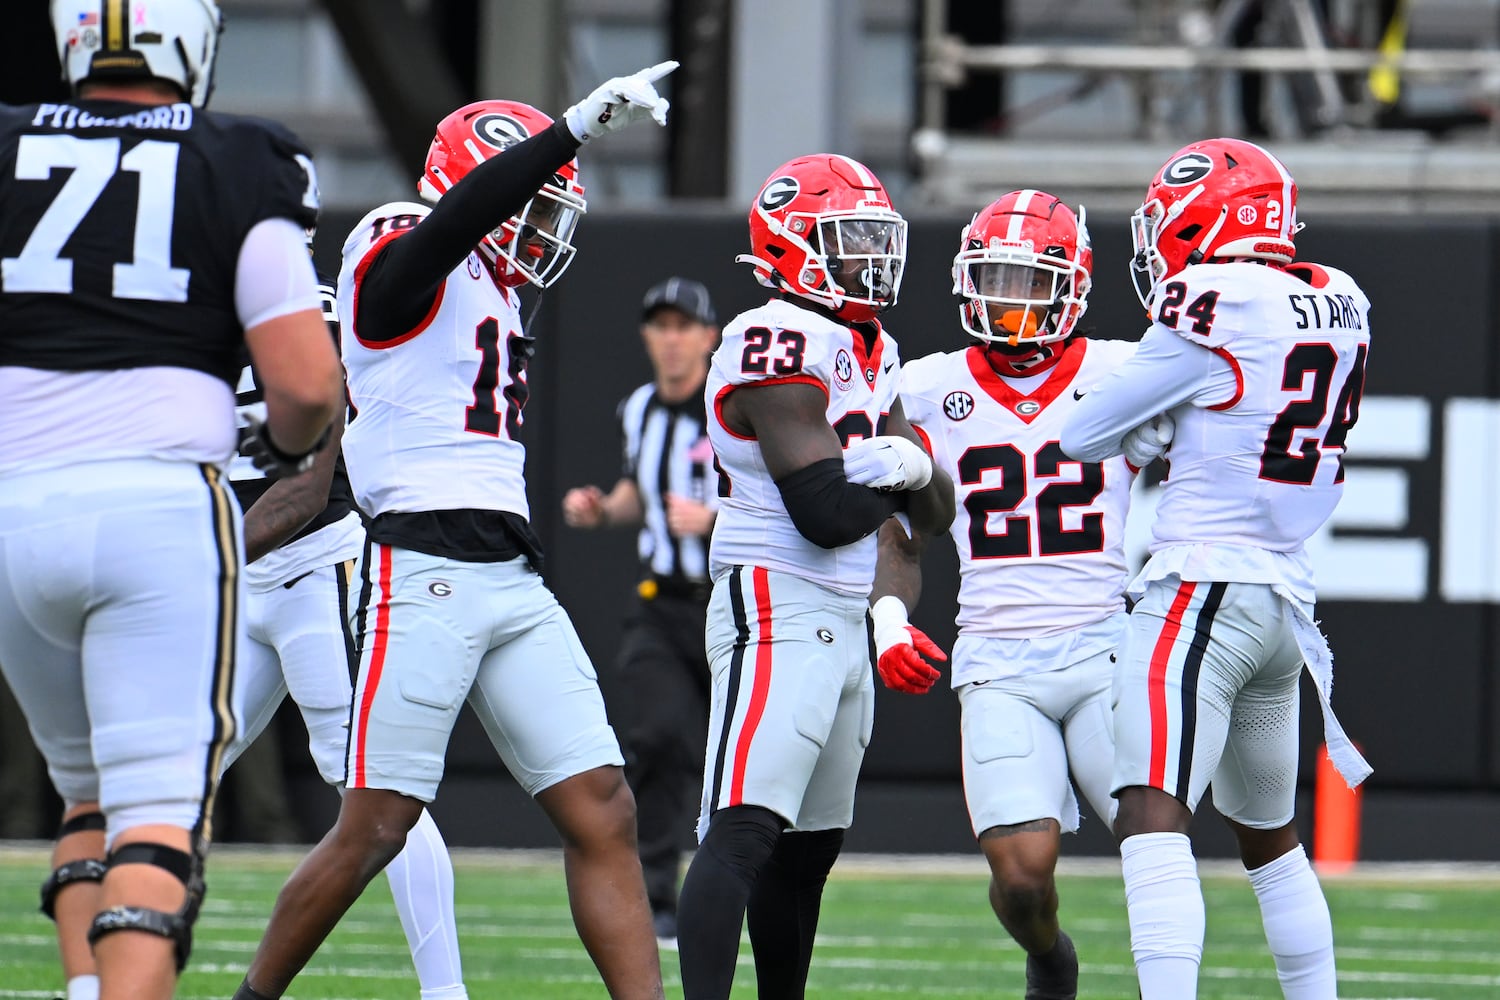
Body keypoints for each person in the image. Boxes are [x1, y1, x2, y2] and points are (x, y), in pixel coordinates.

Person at [229, 62, 679, 1000]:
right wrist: (569, 131)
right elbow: (451, 227)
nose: (546, 227)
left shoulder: (503, 290)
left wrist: (554, 155)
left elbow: (481, 229)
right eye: (537, 200)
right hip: (418, 568)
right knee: (376, 825)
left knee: (603, 808)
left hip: (512, 577)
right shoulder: (394, 243)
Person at [0, 1, 343, 998]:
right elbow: (308, 383)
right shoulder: (237, 156)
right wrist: (282, 445)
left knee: (86, 791)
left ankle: (83, 987)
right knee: (157, 808)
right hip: (157, 503)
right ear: (190, 45)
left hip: (18, 506)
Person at [1061, 137, 1373, 999]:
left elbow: (1082, 434)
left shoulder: (1212, 298)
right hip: (1283, 606)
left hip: (1201, 590)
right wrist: (1177, 419)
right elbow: (1241, 405)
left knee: (1151, 816)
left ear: (1209, 216)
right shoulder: (1340, 296)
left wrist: (1151, 426)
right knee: (1270, 840)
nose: (1161, 240)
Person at [674, 153, 956, 1000]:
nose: (871, 257)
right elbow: (824, 513)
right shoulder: (773, 334)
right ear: (793, 245)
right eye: (850, 239)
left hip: (841, 614)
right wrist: (899, 465)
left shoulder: (876, 347)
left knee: (809, 851)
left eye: (878, 238)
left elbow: (930, 515)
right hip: (774, 600)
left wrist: (890, 615)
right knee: (744, 832)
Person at [870, 189, 1153, 1000]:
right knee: (1024, 879)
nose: (1008, 300)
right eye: (994, 278)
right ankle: (1049, 959)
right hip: (996, 656)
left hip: (1107, 643)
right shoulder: (923, 389)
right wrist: (889, 617)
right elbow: (904, 531)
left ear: (1072, 288)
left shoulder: (1124, 370)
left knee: (1152, 835)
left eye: (1029, 282)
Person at [222, 270, 471, 999]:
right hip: (242, 577)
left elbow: (307, 481)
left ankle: (444, 991)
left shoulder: (317, 309)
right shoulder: (204, 299)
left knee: (375, 786)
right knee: (177, 766)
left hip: (314, 568)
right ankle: (112, 972)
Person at [561, 276, 721, 947]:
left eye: (685, 325)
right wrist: (605, 509)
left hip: (734, 606)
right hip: (662, 601)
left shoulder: (734, 406)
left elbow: (784, 493)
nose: (673, 339)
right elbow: (640, 491)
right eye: (661, 326)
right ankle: (657, 894)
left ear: (711, 337)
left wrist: (715, 519)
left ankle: (752, 886)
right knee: (656, 739)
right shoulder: (639, 409)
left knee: (739, 761)